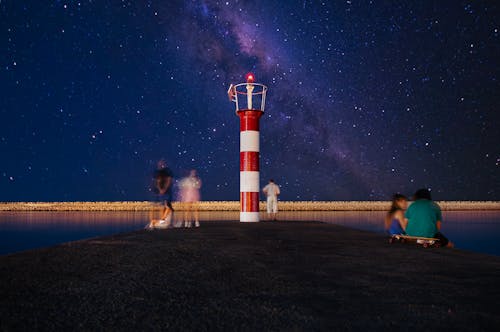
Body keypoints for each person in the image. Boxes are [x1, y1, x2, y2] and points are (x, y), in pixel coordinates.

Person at [147, 159, 174, 229]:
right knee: (164, 207)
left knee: (154, 221)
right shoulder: (162, 172)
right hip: (165, 223)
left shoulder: (165, 172)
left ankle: (151, 225)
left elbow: (167, 180)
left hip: (164, 224)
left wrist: (162, 189)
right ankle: (152, 224)